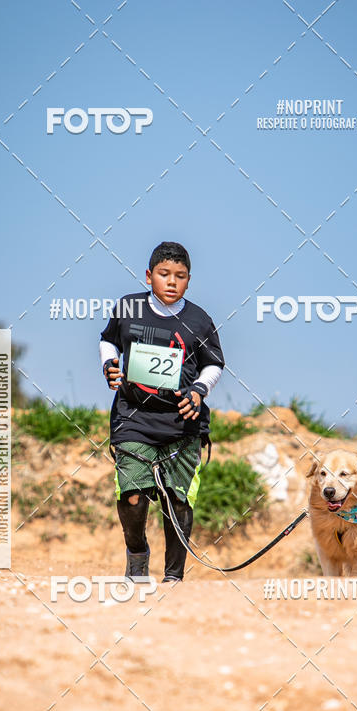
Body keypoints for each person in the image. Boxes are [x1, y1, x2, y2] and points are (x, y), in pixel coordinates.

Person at [99, 241, 224, 583]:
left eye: (180, 276)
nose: (171, 282)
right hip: (133, 418)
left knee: (176, 500)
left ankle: (173, 578)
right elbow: (108, 340)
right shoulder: (128, 308)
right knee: (133, 495)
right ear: (148, 276)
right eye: (164, 274)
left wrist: (199, 391)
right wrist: (109, 364)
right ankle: (137, 559)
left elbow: (214, 365)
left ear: (189, 281)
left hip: (183, 424)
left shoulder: (199, 321)